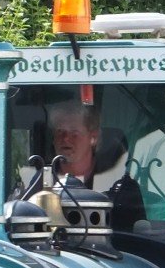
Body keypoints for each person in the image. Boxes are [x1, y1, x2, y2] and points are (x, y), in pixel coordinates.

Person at [47, 98, 146, 230]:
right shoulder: (37, 183)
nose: (65, 138)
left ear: (93, 137)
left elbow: (133, 242)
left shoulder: (123, 189)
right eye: (59, 131)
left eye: (74, 132)